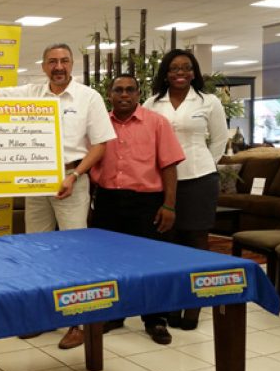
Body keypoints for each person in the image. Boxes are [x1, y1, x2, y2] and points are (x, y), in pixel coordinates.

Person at [0, 43, 115, 350]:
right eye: (52, 61)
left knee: (74, 252)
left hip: (72, 179)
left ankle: (79, 323)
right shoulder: (30, 93)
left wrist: (75, 175)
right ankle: (43, 316)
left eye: (64, 61)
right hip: (36, 182)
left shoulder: (89, 97)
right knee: (36, 250)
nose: (59, 66)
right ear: (44, 66)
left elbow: (100, 145)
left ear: (72, 64)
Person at [90, 74, 185, 345]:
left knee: (151, 262)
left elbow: (169, 166)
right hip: (108, 200)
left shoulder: (157, 123)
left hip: (147, 202)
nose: (124, 95)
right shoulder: (99, 125)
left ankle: (155, 319)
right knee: (109, 262)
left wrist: (169, 204)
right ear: (109, 94)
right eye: (118, 90)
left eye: (130, 90)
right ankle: (114, 314)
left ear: (138, 94)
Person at [143, 49, 228, 330]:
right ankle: (171, 305)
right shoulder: (152, 103)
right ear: (166, 74)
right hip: (161, 183)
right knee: (168, 244)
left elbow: (220, 140)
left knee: (196, 243)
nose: (180, 73)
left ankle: (193, 308)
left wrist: (204, 163)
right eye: (174, 68)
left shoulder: (209, 101)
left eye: (186, 67)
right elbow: (146, 140)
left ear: (194, 72)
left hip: (199, 180)